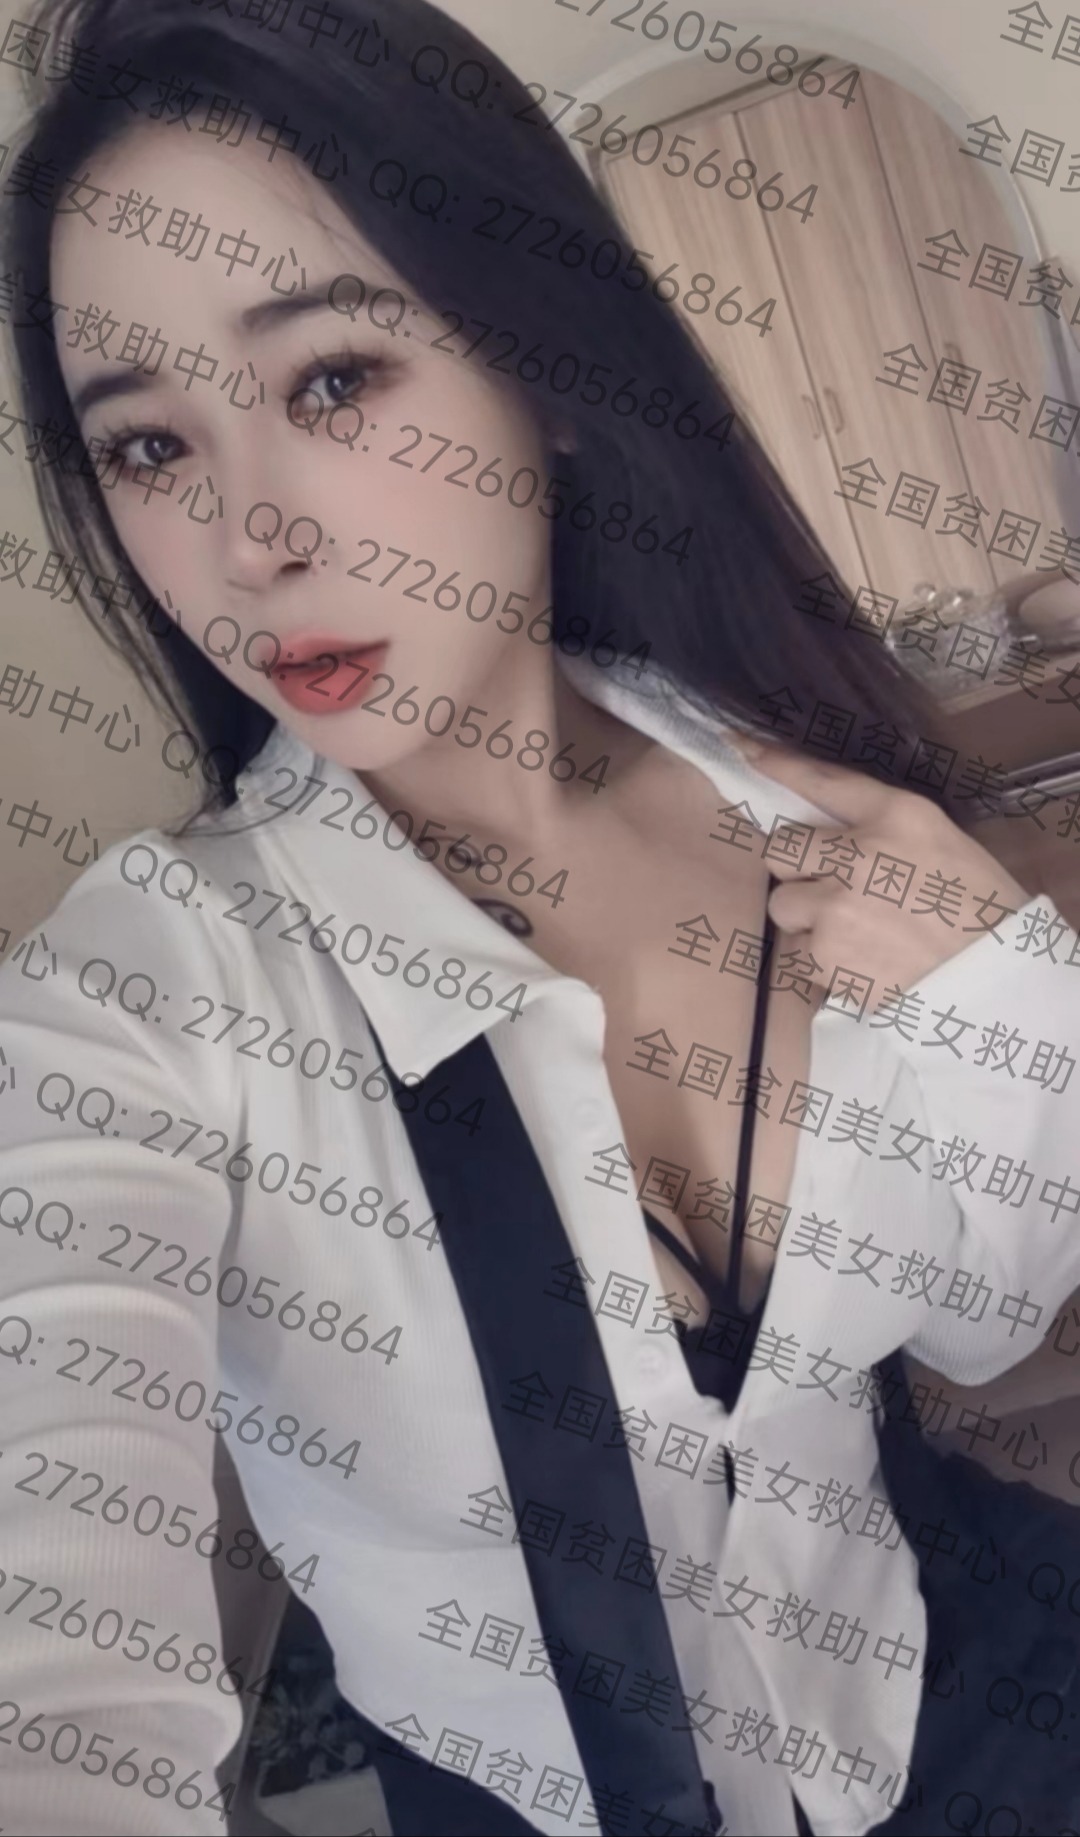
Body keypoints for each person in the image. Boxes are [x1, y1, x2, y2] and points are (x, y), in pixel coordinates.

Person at [2, 2, 1079, 1833]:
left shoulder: (813, 814)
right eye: (152, 448)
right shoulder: (142, 995)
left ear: (549, 373)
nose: (252, 536)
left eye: (331, 380)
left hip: (954, 1696)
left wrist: (1007, 982)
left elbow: (989, 1324)